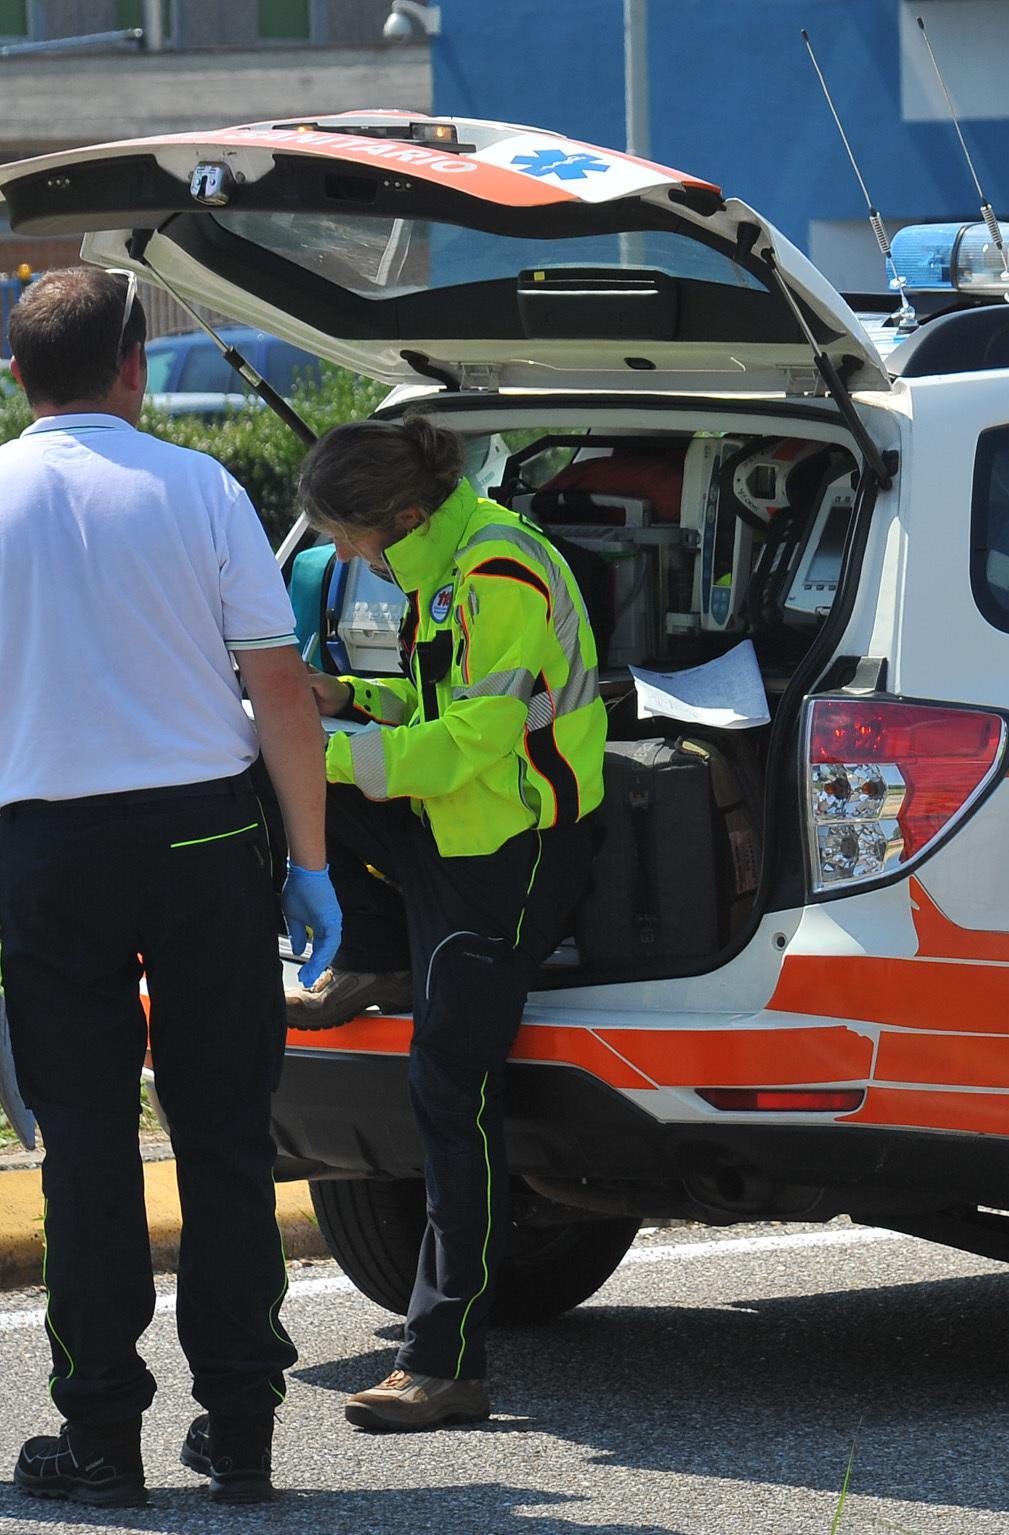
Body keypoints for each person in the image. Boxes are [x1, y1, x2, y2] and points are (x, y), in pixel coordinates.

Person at [0, 267, 342, 1506]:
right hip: (206, 844)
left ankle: (99, 1439)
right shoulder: (201, 487)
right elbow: (280, 694)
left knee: (84, 1153)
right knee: (221, 1135)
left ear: (13, 375)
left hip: (52, 850)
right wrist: (307, 863)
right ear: (135, 366)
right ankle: (243, 1426)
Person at [284, 417, 604, 1431]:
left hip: (511, 848)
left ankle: (444, 1360)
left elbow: (474, 737)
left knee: (446, 1084)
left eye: (349, 538)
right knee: (275, 765)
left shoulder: (500, 567)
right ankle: (377, 955)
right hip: (452, 828)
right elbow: (432, 701)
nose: (346, 557)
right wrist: (335, 699)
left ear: (405, 517)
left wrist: (327, 751)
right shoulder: (450, 557)